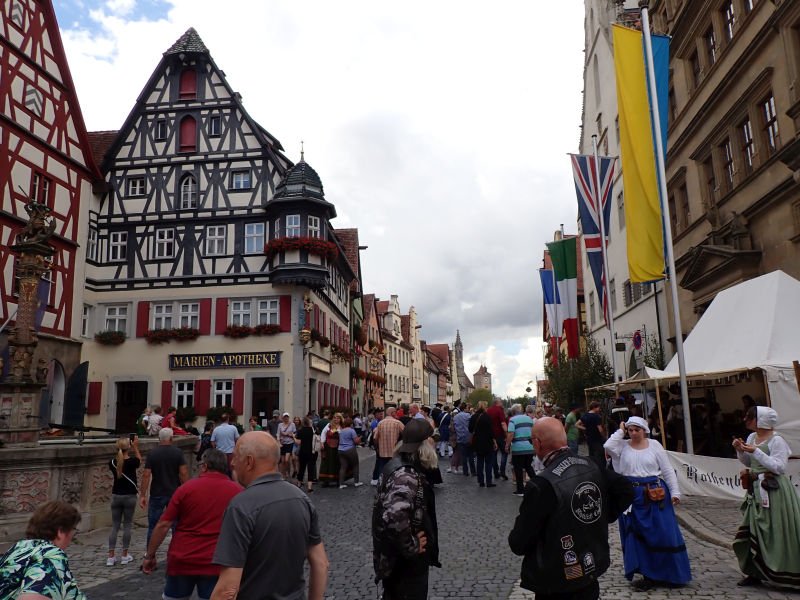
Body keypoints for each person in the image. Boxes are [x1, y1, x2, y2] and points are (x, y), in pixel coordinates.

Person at [509, 417, 634, 600]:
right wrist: (599, 516)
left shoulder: (541, 484)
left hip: (556, 578)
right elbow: (626, 490)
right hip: (590, 570)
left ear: (537, 443)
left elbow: (519, 543)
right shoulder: (592, 464)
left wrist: (600, 515)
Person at [211, 432, 329, 600]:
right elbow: (321, 564)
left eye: (236, 457)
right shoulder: (302, 499)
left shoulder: (241, 506)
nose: (232, 463)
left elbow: (227, 589)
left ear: (249, 461)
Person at [603, 416, 691, 590]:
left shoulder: (655, 445)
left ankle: (671, 574)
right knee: (637, 535)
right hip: (631, 495)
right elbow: (608, 446)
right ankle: (648, 575)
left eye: (637, 430)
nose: (633, 433)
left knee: (663, 533)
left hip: (655, 494)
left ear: (644, 430)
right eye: (630, 430)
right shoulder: (622, 446)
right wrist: (620, 430)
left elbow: (667, 470)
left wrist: (675, 492)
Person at [142, 449, 242, 599]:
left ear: (205, 466)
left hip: (183, 557)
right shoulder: (237, 491)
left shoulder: (185, 489)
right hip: (215, 560)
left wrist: (149, 555)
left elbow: (164, 524)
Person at [732, 406, 800, 589]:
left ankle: (785, 571)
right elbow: (750, 462)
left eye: (750, 417)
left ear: (760, 420)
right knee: (753, 528)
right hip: (756, 490)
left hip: (774, 491)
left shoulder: (777, 441)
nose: (746, 420)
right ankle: (755, 572)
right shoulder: (752, 438)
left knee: (775, 530)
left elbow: (779, 467)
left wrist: (756, 451)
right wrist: (741, 451)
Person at [372, 419, 441, 600]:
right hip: (405, 564)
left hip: (398, 560)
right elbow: (394, 516)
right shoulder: (406, 475)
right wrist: (412, 546)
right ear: (425, 445)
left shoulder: (398, 466)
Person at [0, 501, 85, 599]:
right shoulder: (49, 554)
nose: (72, 536)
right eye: (73, 530)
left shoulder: (20, 548)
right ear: (60, 531)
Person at [140, 427, 190, 546]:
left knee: (153, 525)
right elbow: (183, 473)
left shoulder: (153, 453)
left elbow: (146, 474)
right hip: (174, 492)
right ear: (171, 438)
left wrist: (142, 494)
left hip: (157, 492)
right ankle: (176, 549)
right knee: (176, 525)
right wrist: (187, 490)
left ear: (159, 438)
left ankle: (150, 552)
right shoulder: (178, 452)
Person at [107, 435, 141, 566]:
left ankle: (111, 556)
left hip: (116, 495)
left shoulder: (112, 462)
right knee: (127, 525)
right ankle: (125, 555)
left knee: (115, 526)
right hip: (129, 496)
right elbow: (139, 460)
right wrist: (136, 447)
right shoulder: (132, 462)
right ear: (129, 447)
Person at [506, 404, 535, 497]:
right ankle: (537, 485)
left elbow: (511, 434)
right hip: (529, 447)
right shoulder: (529, 419)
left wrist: (507, 445)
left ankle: (520, 490)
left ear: (513, 412)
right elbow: (534, 432)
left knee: (518, 469)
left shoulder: (512, 420)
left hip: (518, 448)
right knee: (528, 467)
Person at [371, 406, 405, 485]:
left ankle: (382, 483)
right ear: (392, 413)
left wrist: (377, 448)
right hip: (394, 451)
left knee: (382, 468)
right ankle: (392, 484)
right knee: (394, 468)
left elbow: (375, 438)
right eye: (395, 412)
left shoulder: (380, 423)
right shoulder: (397, 423)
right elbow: (406, 433)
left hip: (382, 451)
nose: (396, 414)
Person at [469, 401, 497, 488]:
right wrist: (494, 441)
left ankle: (481, 481)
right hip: (488, 442)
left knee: (479, 462)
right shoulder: (487, 417)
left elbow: (470, 429)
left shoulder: (473, 417)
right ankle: (489, 482)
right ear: (485, 407)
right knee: (488, 463)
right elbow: (491, 431)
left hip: (477, 442)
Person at [577, 401, 606, 465]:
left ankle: (593, 465)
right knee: (599, 454)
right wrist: (604, 436)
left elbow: (577, 424)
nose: (599, 409)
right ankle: (600, 467)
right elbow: (600, 430)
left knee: (591, 453)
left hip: (589, 438)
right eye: (598, 408)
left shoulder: (585, 415)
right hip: (597, 438)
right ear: (594, 408)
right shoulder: (596, 416)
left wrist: (585, 428)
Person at [295, 416, 319, 493]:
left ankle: (299, 483)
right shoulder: (313, 430)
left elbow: (298, 442)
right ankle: (309, 487)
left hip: (303, 452)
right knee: (310, 469)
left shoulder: (301, 431)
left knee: (302, 468)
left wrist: (293, 437)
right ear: (309, 422)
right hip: (312, 452)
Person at [337, 416, 362, 488]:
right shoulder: (351, 431)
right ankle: (356, 482)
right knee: (355, 465)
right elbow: (356, 441)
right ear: (351, 424)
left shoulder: (341, 431)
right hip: (350, 449)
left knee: (343, 467)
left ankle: (341, 484)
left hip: (340, 450)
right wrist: (360, 438)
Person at [319, 412, 343, 487]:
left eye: (338, 418)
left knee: (337, 463)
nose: (336, 419)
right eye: (335, 418)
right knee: (326, 463)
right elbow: (323, 433)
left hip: (338, 447)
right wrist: (322, 443)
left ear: (340, 419)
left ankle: (338, 480)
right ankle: (326, 481)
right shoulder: (329, 425)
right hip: (328, 447)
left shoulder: (342, 426)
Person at [487, 398, 509, 480]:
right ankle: (502, 471)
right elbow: (503, 423)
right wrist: (506, 434)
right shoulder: (500, 410)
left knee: (493, 454)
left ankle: (496, 472)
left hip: (491, 436)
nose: (502, 403)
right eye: (501, 402)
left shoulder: (488, 410)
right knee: (505, 452)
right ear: (498, 403)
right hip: (500, 435)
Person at [453, 402, 475, 476]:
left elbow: (453, 427)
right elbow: (472, 425)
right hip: (468, 438)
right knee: (471, 455)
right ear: (465, 408)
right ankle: (473, 471)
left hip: (460, 438)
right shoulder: (468, 416)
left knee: (463, 456)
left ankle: (465, 472)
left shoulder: (455, 417)